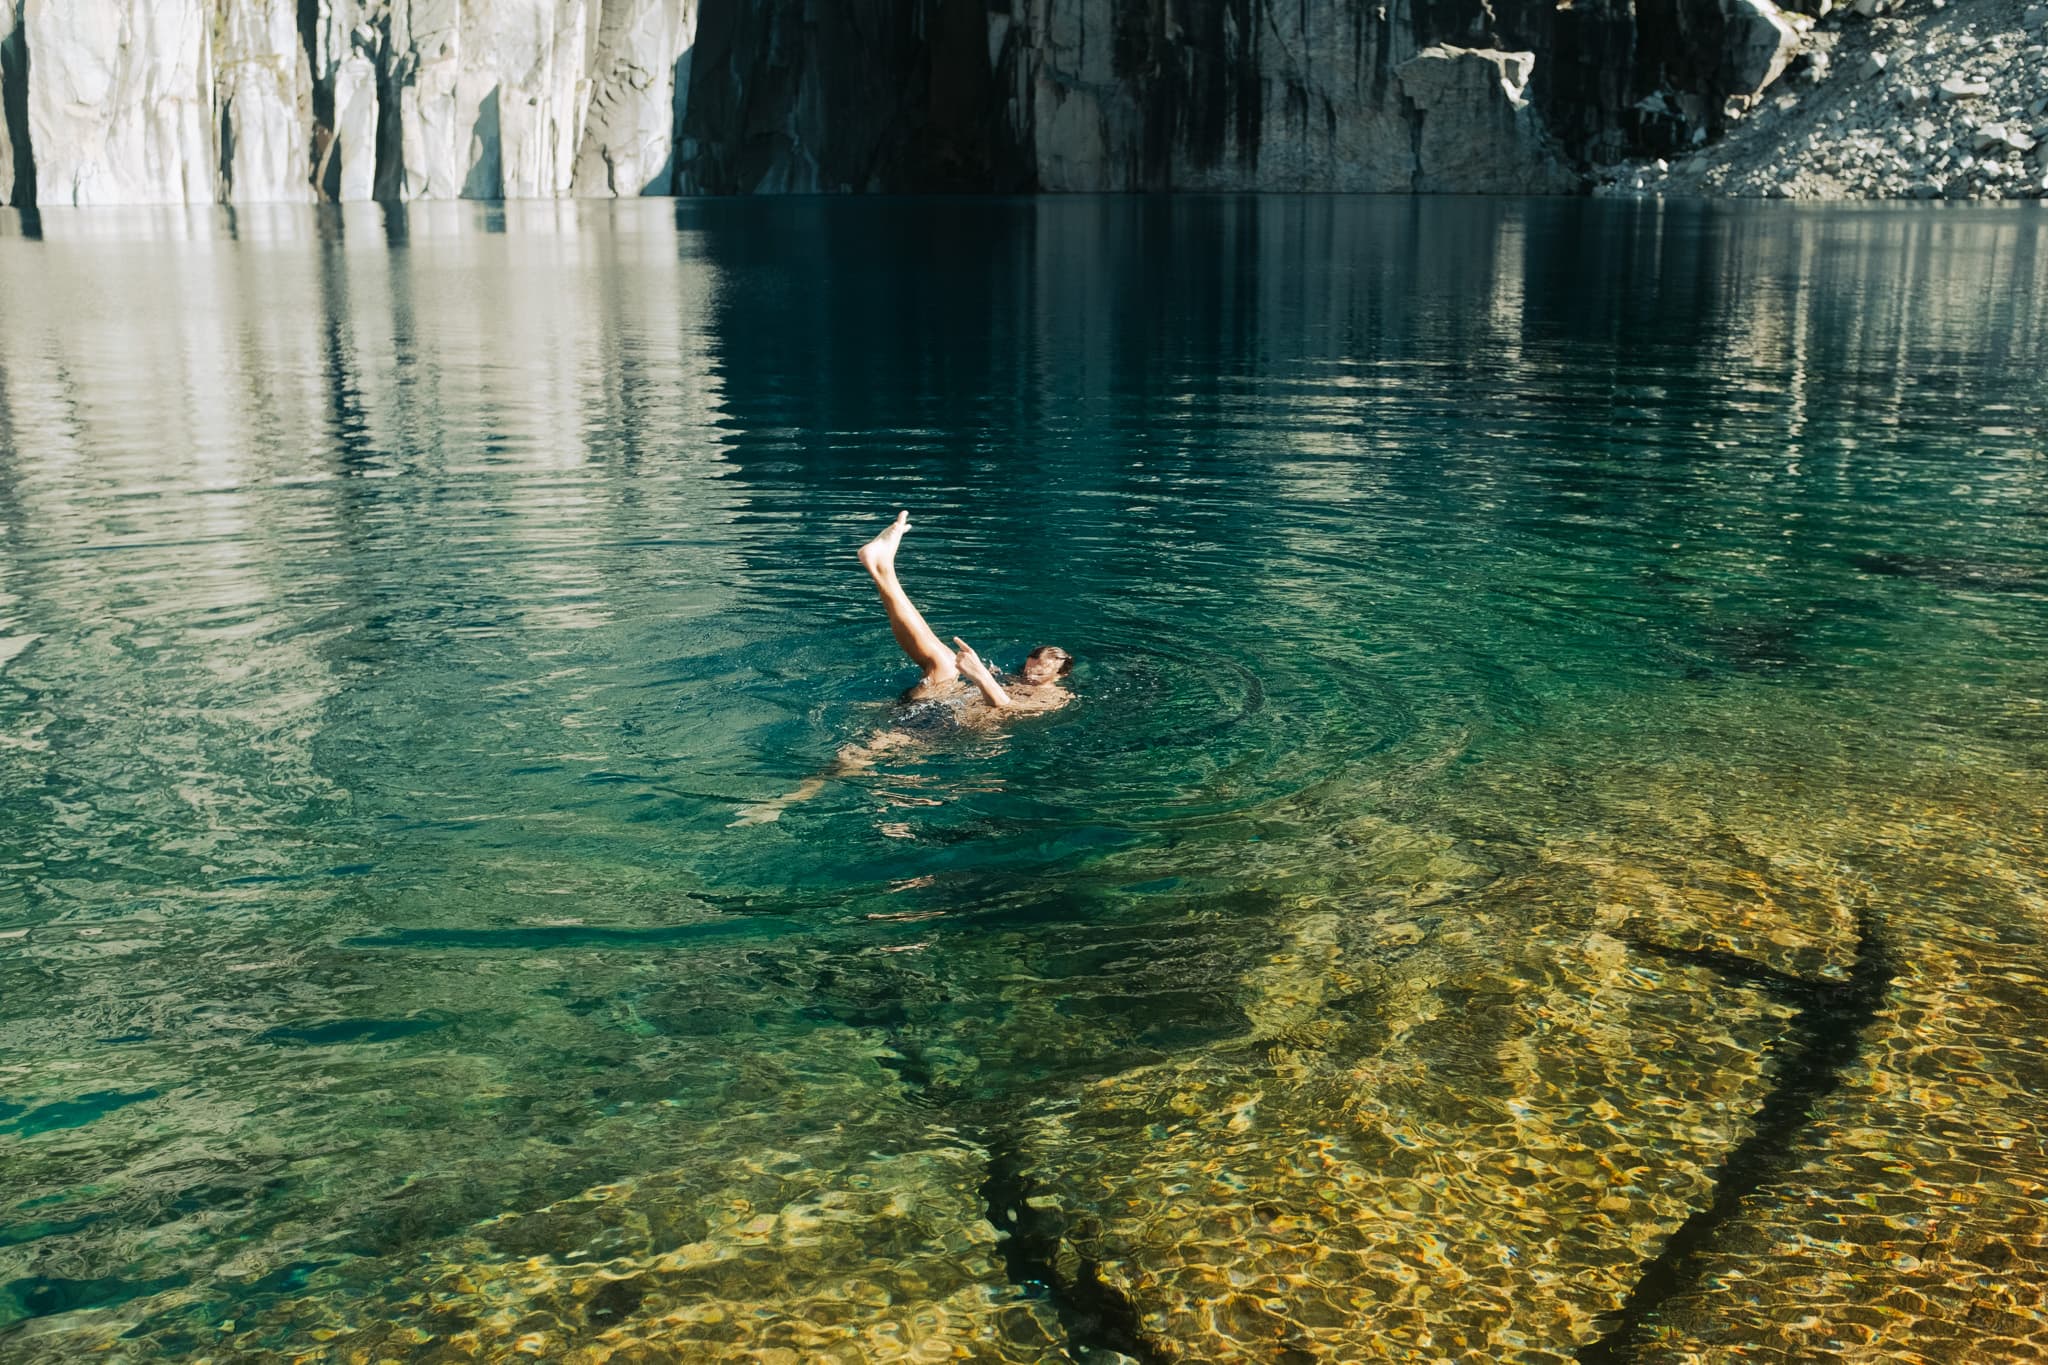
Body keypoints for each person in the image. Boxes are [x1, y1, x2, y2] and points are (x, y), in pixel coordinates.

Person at [730, 511, 1072, 825]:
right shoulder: (1013, 678)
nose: (1030, 674)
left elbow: (1009, 712)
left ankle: (785, 803)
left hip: (939, 728)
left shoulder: (1057, 698)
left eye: (1040, 672)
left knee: (860, 755)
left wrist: (981, 675)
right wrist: (976, 675)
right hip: (939, 707)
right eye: (1029, 667)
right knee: (942, 661)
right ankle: (881, 565)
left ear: (1060, 675)